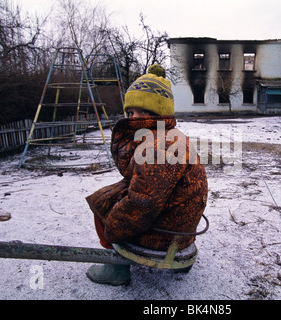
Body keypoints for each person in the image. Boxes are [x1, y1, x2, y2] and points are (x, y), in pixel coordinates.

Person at [85, 64, 208, 286]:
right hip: (180, 229)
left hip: (165, 236)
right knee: (120, 192)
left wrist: (114, 228)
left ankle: (116, 266)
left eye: (144, 112)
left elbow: (144, 201)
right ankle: (180, 257)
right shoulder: (170, 136)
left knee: (101, 203)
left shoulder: (158, 147)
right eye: (131, 112)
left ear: (160, 113)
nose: (134, 118)